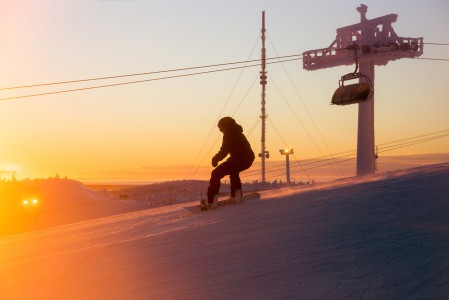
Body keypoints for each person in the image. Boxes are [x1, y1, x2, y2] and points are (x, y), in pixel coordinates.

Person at [202, 117, 255, 209]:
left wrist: (215, 159)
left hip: (239, 159)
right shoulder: (237, 132)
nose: (221, 130)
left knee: (215, 174)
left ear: (225, 125)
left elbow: (224, 150)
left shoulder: (229, 133)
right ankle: (236, 193)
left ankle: (211, 200)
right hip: (247, 159)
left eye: (221, 128)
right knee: (234, 171)